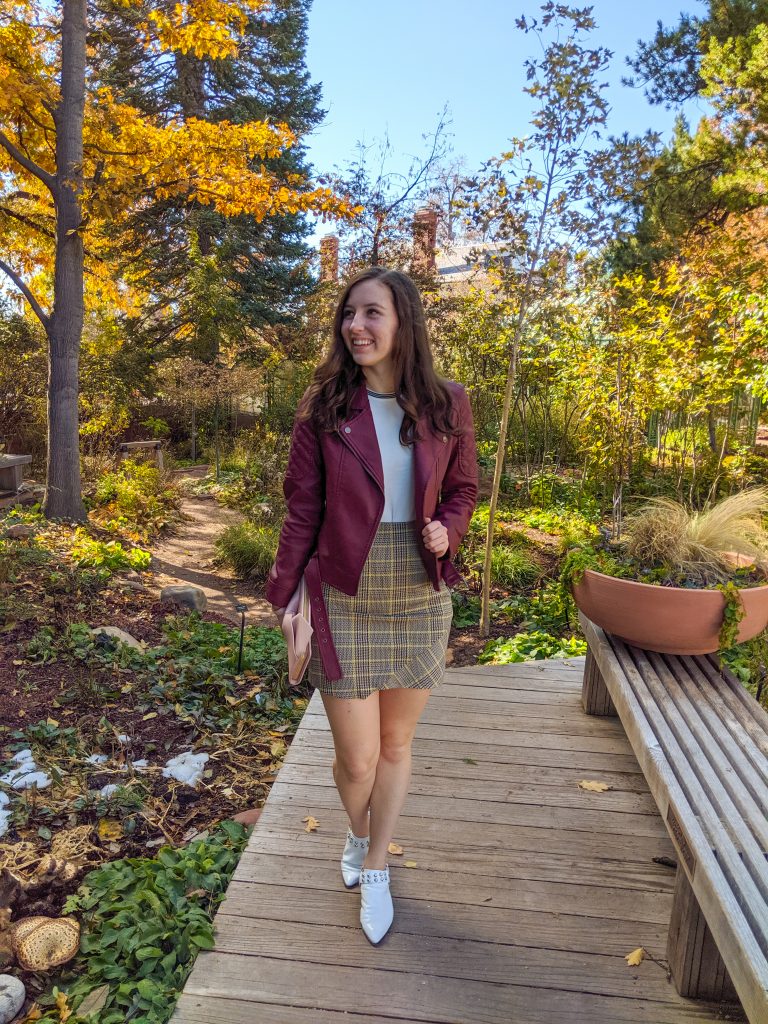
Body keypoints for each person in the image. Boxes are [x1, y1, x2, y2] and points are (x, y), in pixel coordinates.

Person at [266, 266, 478, 944]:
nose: (356, 325)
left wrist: (451, 527)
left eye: (371, 313)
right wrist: (284, 592)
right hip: (343, 591)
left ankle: (377, 864)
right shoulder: (325, 406)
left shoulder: (449, 404)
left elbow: (464, 491)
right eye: (349, 314)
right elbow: (302, 509)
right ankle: (358, 835)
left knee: (395, 745)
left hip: (418, 591)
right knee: (357, 760)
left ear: (403, 323)